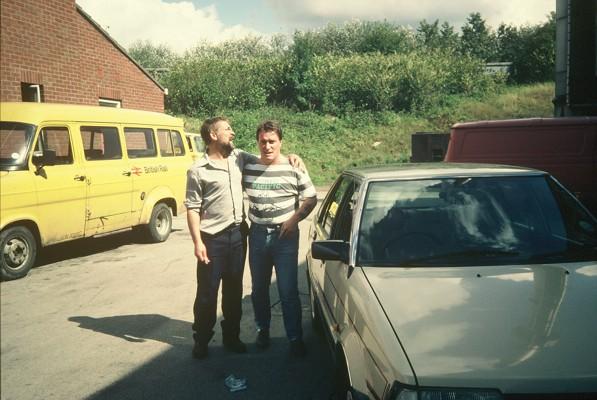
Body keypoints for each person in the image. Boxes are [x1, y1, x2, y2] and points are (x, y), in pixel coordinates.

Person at [185, 117, 302, 360]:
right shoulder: (198, 170)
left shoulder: (239, 157)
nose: (233, 133)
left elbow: (268, 156)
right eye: (228, 129)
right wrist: (198, 242)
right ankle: (202, 339)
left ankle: (231, 337)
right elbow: (192, 208)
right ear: (213, 135)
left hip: (239, 235)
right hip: (212, 239)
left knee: (233, 291)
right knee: (207, 293)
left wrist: (293, 156)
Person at [242, 120, 317, 357]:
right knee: (259, 290)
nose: (267, 146)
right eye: (263, 141)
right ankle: (263, 329)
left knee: (287, 291)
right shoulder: (248, 167)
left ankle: (295, 338)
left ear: (280, 142)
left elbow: (311, 198)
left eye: (272, 141)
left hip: (285, 238)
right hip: (256, 235)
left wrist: (294, 220)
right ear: (257, 142)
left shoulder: (294, 167)